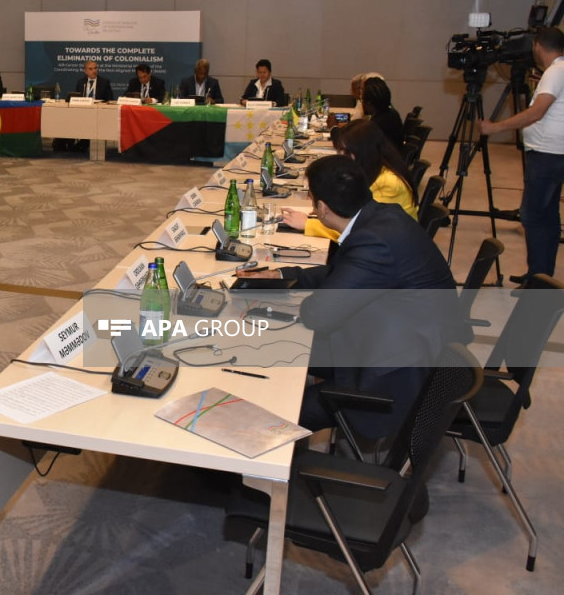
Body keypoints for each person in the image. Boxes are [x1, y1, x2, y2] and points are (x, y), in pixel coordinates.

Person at [240, 155, 465, 438]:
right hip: (393, 342)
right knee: (274, 348)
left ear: (322, 207)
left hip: (391, 381)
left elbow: (318, 315)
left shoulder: (374, 242)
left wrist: (290, 303)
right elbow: (346, 272)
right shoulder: (383, 217)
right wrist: (282, 275)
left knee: (273, 413)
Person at [481, 26, 564, 281]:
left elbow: (536, 112)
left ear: (537, 46)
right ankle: (541, 275)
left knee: (533, 216)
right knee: (547, 216)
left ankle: (538, 278)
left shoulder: (555, 71)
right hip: (554, 154)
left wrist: (495, 127)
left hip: (547, 154)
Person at [281, 119, 417, 239]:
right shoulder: (374, 169)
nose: (341, 157)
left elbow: (356, 228)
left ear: (363, 151)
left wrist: (307, 224)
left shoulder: (388, 183)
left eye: (345, 152)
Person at [361, 77, 404, 152]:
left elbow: (362, 148)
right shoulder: (392, 114)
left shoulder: (375, 125)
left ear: (369, 103)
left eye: (363, 100)